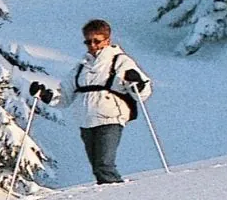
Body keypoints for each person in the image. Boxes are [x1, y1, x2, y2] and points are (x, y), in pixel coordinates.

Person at [32, 19, 151, 185]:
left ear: (107, 41)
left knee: (104, 164)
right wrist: (46, 95)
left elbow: (141, 93)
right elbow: (65, 95)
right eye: (88, 41)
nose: (92, 45)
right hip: (86, 120)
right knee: (97, 167)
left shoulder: (120, 61)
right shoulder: (82, 66)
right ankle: (108, 196)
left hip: (111, 117)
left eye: (97, 41)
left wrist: (137, 82)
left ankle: (118, 196)